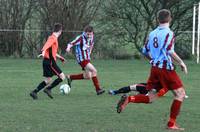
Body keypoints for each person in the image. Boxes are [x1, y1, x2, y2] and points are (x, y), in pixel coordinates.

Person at [116, 9, 188, 130]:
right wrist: (181, 62)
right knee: (180, 94)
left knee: (151, 98)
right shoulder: (169, 33)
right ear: (170, 19)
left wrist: (153, 60)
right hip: (165, 69)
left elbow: (144, 51)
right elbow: (169, 51)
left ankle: (129, 98)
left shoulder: (152, 33)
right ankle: (171, 124)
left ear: (157, 19)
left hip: (155, 69)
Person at [30, 23, 66, 99]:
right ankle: (48, 89)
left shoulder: (51, 37)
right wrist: (43, 51)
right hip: (50, 62)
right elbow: (46, 46)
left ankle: (34, 92)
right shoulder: (53, 38)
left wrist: (60, 57)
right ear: (60, 31)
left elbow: (52, 51)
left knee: (48, 80)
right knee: (62, 77)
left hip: (46, 61)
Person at [65, 25, 105, 95]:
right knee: (94, 71)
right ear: (84, 32)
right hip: (82, 59)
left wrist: (90, 52)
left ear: (92, 33)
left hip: (87, 58)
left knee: (88, 76)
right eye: (88, 34)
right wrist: (68, 48)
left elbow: (91, 45)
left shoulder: (92, 37)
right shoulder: (80, 38)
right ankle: (98, 89)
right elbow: (71, 43)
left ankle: (70, 77)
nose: (89, 35)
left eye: (91, 34)